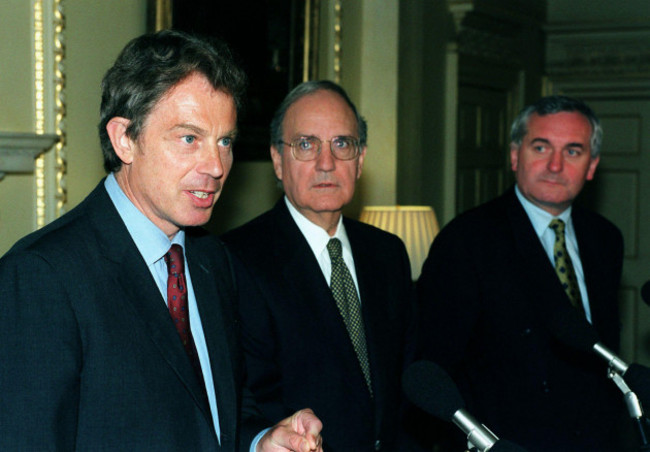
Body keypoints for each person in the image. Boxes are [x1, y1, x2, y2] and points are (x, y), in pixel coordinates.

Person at [0, 30, 322, 452]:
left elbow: (215, 417)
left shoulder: (213, 260)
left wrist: (260, 442)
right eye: (189, 138)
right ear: (125, 140)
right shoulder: (42, 276)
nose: (215, 165)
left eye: (224, 141)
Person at [417, 95, 625, 451]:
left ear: (592, 166)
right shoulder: (467, 240)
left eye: (573, 151)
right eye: (541, 147)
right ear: (515, 156)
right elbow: (436, 368)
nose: (555, 165)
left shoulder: (605, 238)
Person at [221, 80, 418, 451]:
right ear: (278, 161)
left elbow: (406, 391)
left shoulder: (388, 253)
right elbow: (244, 402)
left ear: (360, 161)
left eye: (342, 144)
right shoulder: (236, 259)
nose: (326, 163)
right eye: (306, 144)